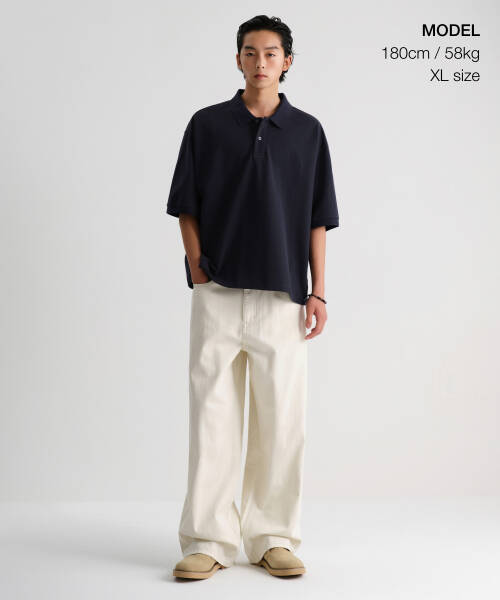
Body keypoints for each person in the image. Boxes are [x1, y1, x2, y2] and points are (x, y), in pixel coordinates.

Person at [167, 15, 339, 579]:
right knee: (211, 419)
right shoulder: (207, 125)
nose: (259, 62)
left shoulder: (308, 132)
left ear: (287, 62)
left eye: (270, 53)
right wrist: (197, 264)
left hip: (284, 297)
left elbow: (317, 217)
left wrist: (318, 292)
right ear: (237, 59)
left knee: (282, 423)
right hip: (217, 292)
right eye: (249, 52)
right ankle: (208, 540)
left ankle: (272, 536)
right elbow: (185, 202)